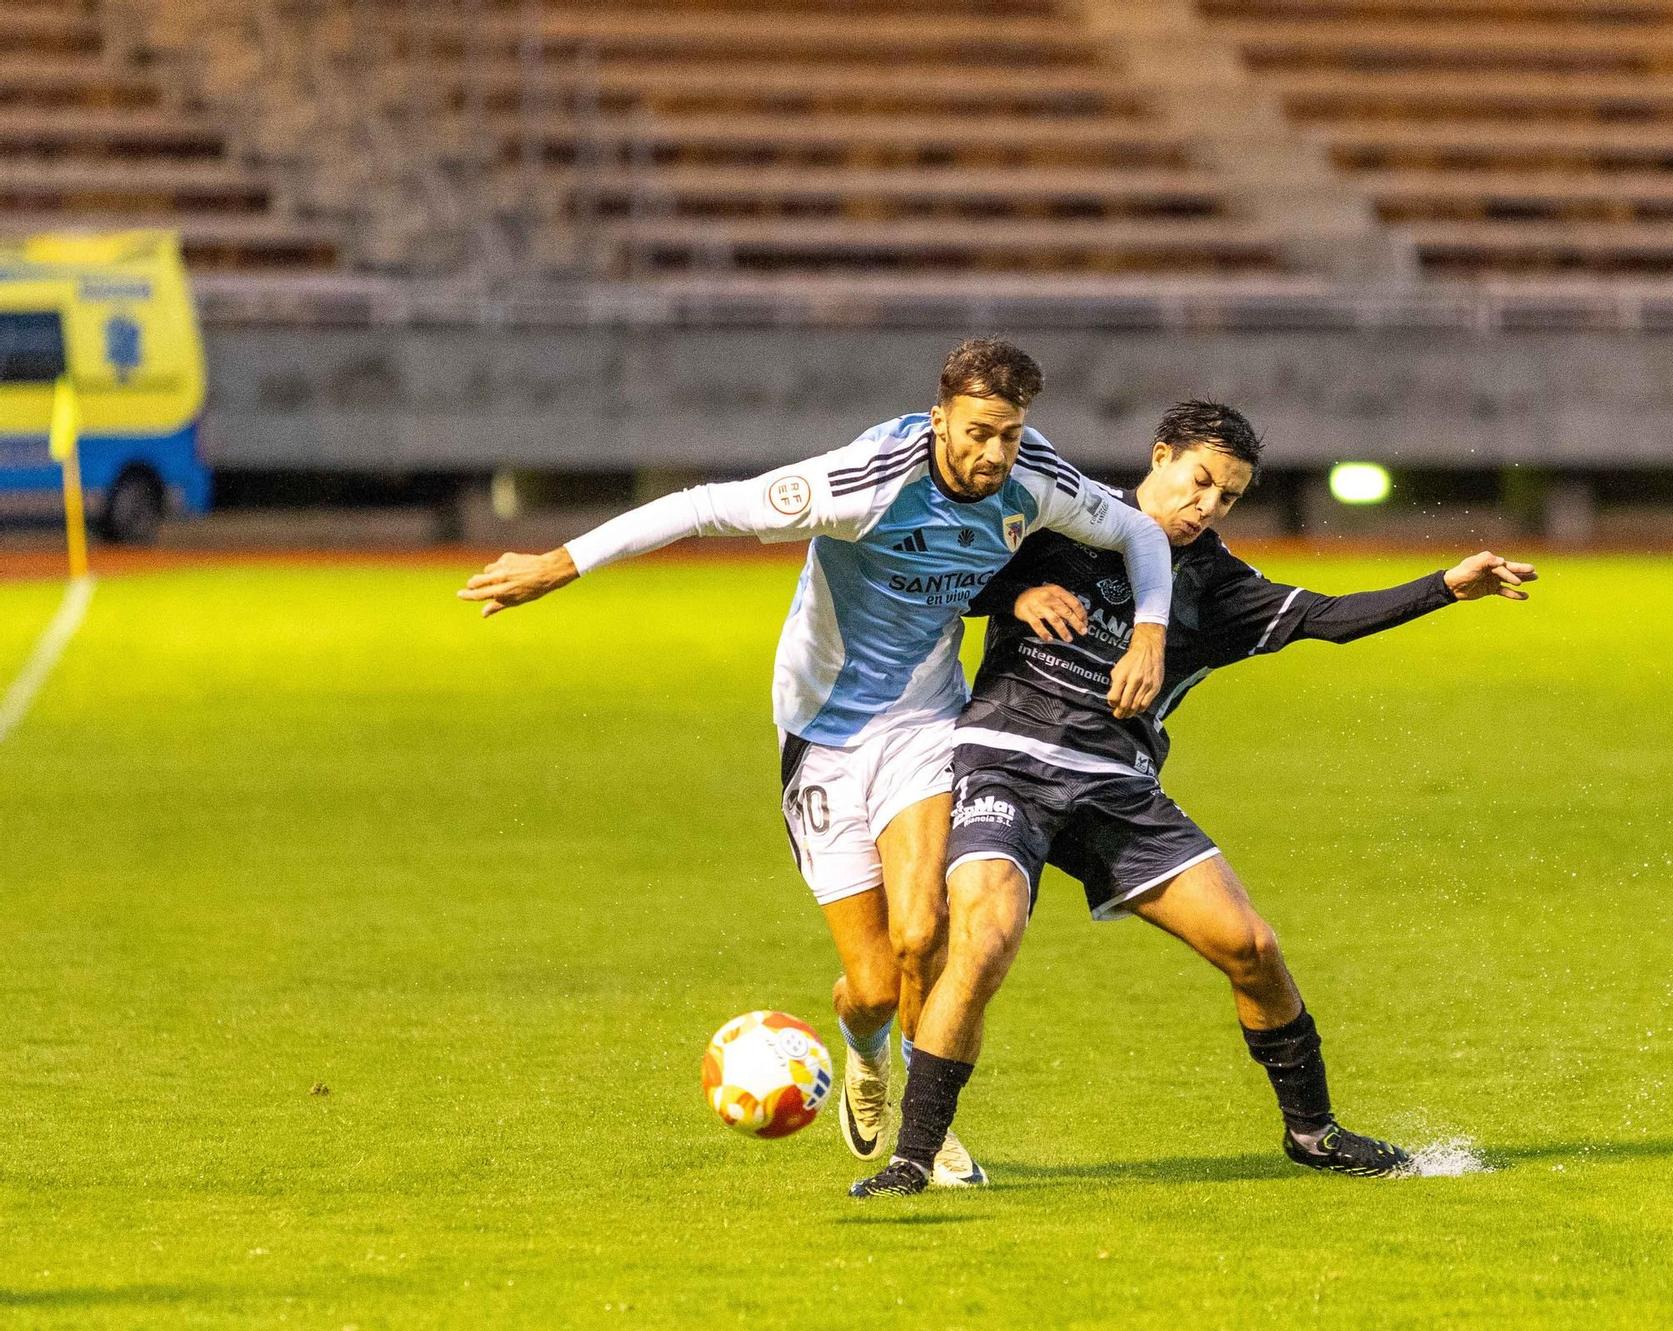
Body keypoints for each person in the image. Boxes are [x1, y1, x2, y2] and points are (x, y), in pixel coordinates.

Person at [457, 340, 1174, 1187]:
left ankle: (925, 1125)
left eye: (1011, 434)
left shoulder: (1035, 476)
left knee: (925, 934)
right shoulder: (866, 479)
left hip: (925, 721)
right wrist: (558, 562)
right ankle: (864, 1056)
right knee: (870, 983)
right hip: (825, 734)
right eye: (979, 431)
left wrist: (1151, 632)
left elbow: (1136, 529)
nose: (994, 454)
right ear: (940, 415)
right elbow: (701, 506)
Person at [851, 401, 1536, 1197]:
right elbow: (947, 572)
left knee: (1253, 946)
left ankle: (1312, 1132)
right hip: (1008, 763)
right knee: (985, 936)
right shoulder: (1066, 515)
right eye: (1200, 480)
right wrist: (1012, 597)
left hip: (1117, 789)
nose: (1206, 505)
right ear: (1161, 456)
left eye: (1230, 496)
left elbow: (1327, 618)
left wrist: (1447, 587)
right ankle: (912, 1156)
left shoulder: (1215, 583)